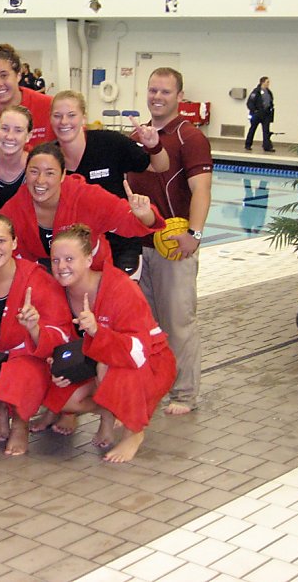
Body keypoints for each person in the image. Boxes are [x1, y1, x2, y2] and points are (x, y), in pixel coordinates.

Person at [48, 224, 176, 463]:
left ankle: (133, 432)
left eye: (69, 259)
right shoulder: (57, 290)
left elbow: (138, 352)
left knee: (107, 367)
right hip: (97, 359)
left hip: (149, 362)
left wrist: (98, 331)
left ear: (88, 259)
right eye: (56, 260)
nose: (61, 267)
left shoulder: (119, 287)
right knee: (63, 394)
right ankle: (109, 411)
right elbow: (56, 338)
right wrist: (54, 364)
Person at [127, 67, 212, 416]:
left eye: (165, 92)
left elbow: (201, 190)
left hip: (174, 246)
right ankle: (155, 384)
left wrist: (195, 234)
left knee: (178, 322)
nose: (157, 97)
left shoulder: (190, 137)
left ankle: (185, 393)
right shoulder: (138, 137)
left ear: (179, 96)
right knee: (147, 324)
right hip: (139, 246)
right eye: (152, 90)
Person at [0, 214, 73, 454]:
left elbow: (63, 335)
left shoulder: (37, 279)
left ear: (15, 243)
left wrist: (34, 328)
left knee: (20, 371)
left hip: (27, 365)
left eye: (1, 240)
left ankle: (20, 422)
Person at [49, 90, 169, 277]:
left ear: (83, 118)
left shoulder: (110, 143)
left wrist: (154, 146)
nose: (64, 122)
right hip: (76, 254)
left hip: (122, 245)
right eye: (57, 116)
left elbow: (160, 166)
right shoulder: (49, 158)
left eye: (71, 115)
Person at [0, 143, 164, 272]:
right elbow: (4, 253)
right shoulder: (14, 208)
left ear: (63, 175)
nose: (40, 180)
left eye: (50, 173)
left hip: (92, 276)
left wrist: (145, 214)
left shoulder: (86, 197)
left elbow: (129, 222)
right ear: (25, 173)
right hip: (43, 281)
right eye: (34, 172)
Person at [244, 76, 275, 152]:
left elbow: (270, 102)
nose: (268, 84)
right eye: (267, 82)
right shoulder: (256, 91)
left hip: (266, 114)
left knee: (266, 131)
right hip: (257, 114)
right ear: (262, 82)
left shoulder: (268, 92)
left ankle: (267, 146)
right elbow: (250, 102)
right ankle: (248, 144)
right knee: (253, 129)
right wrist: (255, 111)